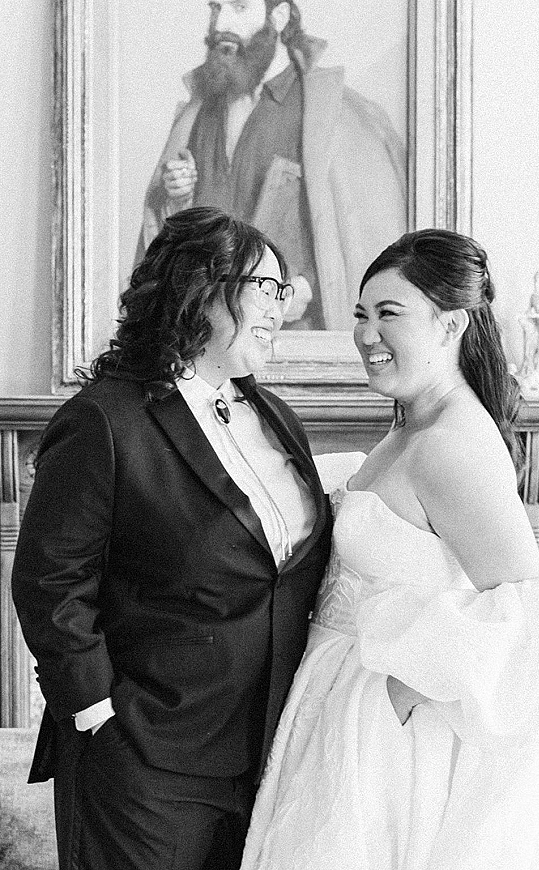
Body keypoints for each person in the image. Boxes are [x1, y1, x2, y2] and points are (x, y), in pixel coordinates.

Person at [241, 229, 539, 870]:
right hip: (337, 704)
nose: (368, 335)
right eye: (361, 316)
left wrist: (403, 690)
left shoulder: (454, 441)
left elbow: (535, 614)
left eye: (389, 314)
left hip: (387, 736)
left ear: (451, 323)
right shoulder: (410, 425)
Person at [11, 207, 332, 870]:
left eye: (283, 291)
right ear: (200, 290)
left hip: (265, 756)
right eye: (263, 289)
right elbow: (50, 582)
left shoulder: (275, 416)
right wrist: (98, 716)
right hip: (146, 764)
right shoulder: (105, 418)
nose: (281, 308)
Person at [136, 0, 406, 330]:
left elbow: (368, 236)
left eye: (238, 7)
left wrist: (309, 287)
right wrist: (176, 197)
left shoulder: (336, 112)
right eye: (216, 7)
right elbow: (175, 236)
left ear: (277, 16)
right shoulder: (198, 112)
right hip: (206, 335)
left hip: (295, 335)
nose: (221, 23)